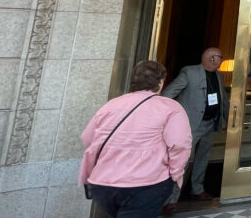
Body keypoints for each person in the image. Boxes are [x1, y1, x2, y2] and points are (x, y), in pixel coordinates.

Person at [80, 60, 192, 218]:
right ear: (160, 82)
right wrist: (175, 174)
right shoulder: (170, 107)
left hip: (103, 184)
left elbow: (88, 138)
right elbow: (180, 145)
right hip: (146, 184)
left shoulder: (111, 105)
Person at [161, 47, 229, 211]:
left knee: (202, 159)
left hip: (209, 124)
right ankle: (171, 199)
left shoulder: (219, 76)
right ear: (212, 58)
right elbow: (168, 94)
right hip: (191, 125)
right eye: (220, 57)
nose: (222, 60)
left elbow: (223, 99)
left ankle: (197, 189)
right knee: (182, 161)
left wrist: (229, 119)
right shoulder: (189, 73)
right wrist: (170, 117)